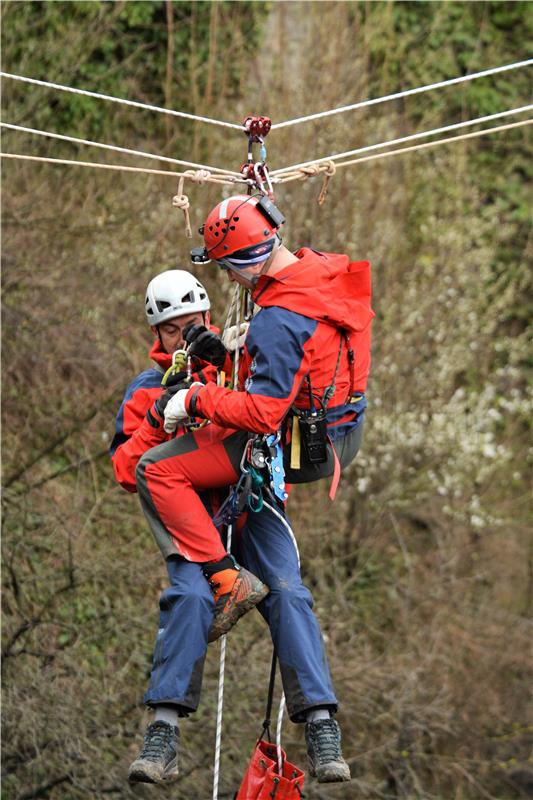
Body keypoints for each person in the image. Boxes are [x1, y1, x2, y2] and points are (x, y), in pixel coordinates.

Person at [128, 194, 374, 785]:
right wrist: (169, 407)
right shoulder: (148, 386)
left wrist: (204, 391)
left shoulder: (257, 335)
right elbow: (131, 463)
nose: (187, 334)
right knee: (188, 595)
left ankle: (319, 725)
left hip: (252, 483)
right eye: (174, 328)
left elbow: (261, 403)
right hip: (203, 513)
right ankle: (162, 734)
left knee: (288, 591)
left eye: (194, 323)